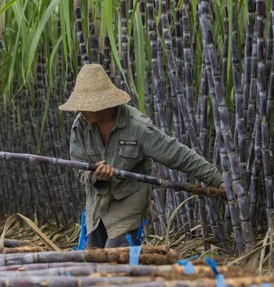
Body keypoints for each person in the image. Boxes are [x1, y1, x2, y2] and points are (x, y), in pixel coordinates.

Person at [59, 64, 226, 249]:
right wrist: (95, 176)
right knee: (91, 261)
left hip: (127, 207)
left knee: (113, 261)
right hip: (96, 209)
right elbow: (78, 166)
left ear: (101, 105)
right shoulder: (80, 126)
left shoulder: (137, 127)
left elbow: (177, 154)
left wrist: (217, 180)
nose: (80, 111)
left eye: (85, 106)